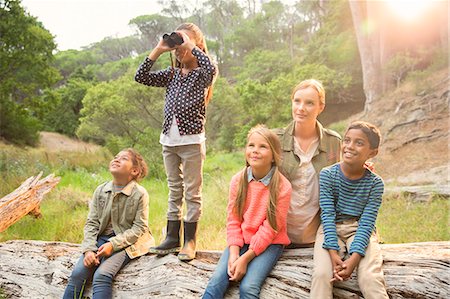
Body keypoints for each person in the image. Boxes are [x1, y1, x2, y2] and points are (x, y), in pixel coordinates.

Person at [134, 23, 217, 261]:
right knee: (174, 189)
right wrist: (159, 50)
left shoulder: (202, 75)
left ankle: (189, 240)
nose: (179, 49)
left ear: (196, 46)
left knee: (192, 192)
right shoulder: (171, 75)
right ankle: (172, 238)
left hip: (191, 141)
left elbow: (210, 70)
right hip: (168, 141)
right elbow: (140, 76)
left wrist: (192, 45)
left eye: (183, 44)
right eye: (176, 45)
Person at [203, 125, 292, 298]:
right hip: (241, 241)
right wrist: (234, 254)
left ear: (274, 156)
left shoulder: (283, 186)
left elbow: (271, 229)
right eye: (251, 145)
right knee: (216, 283)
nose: (255, 151)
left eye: (263, 146)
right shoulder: (238, 180)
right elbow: (233, 220)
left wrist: (244, 259)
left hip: (270, 243)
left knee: (248, 287)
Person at [310, 121, 389, 299]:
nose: (350, 146)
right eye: (347, 140)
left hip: (359, 229)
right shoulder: (328, 175)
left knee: (370, 277)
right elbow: (327, 215)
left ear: (372, 152)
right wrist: (332, 251)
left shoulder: (375, 184)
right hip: (330, 229)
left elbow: (367, 222)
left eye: (359, 143)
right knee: (321, 274)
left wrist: (353, 260)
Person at [63, 148, 154, 299]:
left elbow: (139, 228)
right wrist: (89, 250)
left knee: (102, 274)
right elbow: (92, 223)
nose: (117, 159)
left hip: (129, 242)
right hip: (102, 239)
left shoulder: (140, 194)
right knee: (78, 274)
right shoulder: (101, 190)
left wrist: (113, 245)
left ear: (135, 171)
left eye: (124, 158)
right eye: (116, 156)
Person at [275, 79, 341, 248]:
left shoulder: (334, 142)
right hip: (277, 235)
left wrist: (361, 169)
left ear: (321, 107)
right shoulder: (274, 140)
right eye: (297, 101)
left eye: (309, 103)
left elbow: (343, 182)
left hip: (317, 236)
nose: (301, 108)